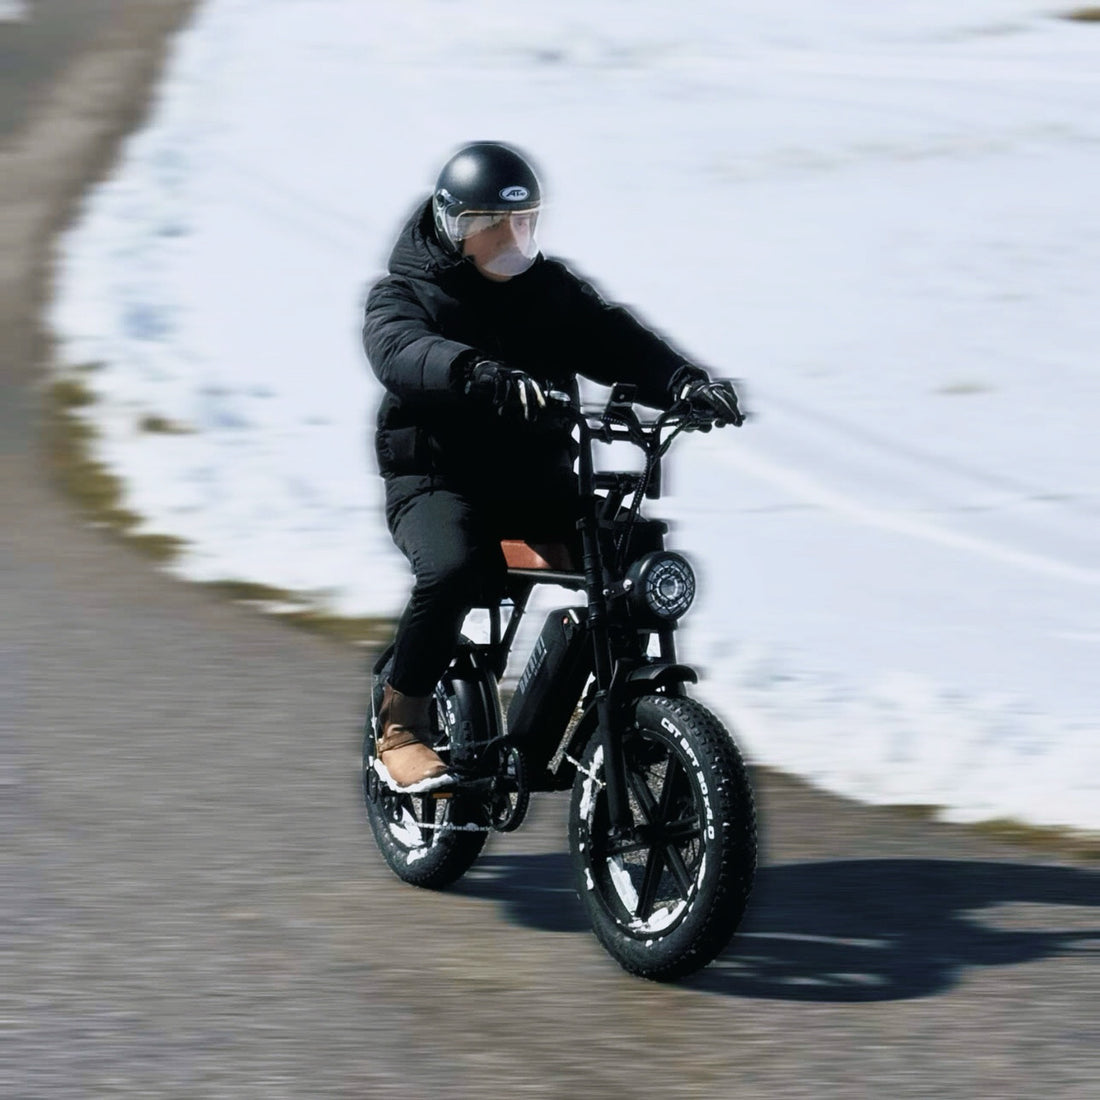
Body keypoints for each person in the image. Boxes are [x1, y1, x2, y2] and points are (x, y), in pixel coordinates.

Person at [362, 141, 742, 791]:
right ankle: (402, 726)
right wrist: (473, 371)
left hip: (533, 483)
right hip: (438, 482)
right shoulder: (404, 295)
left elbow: (611, 338)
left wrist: (681, 382)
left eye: (524, 222)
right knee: (452, 568)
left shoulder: (549, 289)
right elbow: (402, 350)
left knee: (635, 548)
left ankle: (624, 708)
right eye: (493, 226)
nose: (511, 238)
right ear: (457, 229)